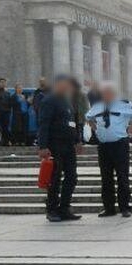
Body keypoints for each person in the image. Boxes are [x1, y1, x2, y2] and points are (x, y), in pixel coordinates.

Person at [86, 82, 132, 218]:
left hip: (119, 145)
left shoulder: (124, 104)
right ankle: (109, 207)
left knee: (122, 176)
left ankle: (124, 207)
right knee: (106, 177)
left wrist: (130, 129)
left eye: (108, 92)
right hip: (103, 146)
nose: (105, 95)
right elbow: (88, 118)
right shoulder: (97, 106)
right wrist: (96, 130)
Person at [38, 75, 83, 222]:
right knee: (54, 178)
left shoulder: (67, 101)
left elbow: (73, 122)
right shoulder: (49, 101)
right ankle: (52, 209)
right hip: (54, 145)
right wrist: (43, 146)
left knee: (72, 176)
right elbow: (44, 124)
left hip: (68, 145)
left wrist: (78, 140)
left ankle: (64, 208)